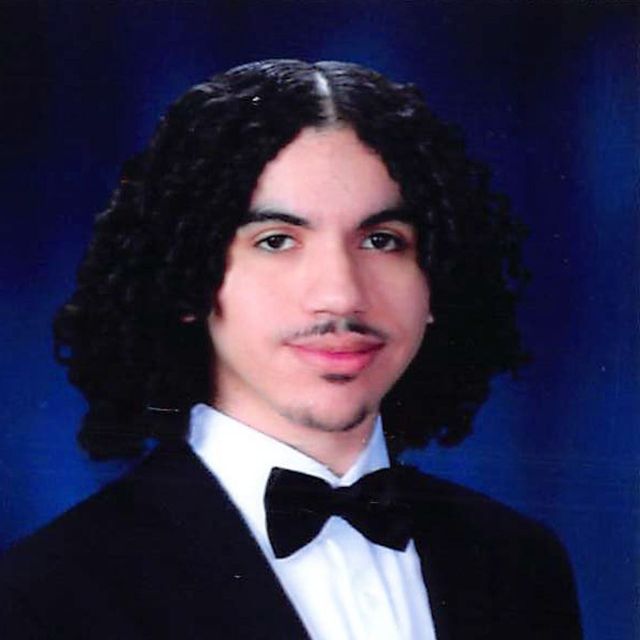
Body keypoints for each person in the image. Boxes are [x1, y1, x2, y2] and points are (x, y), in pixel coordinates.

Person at [0, 59, 581, 639]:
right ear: (187, 279)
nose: (341, 294)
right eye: (277, 241)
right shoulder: (46, 596)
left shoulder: (519, 562)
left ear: (437, 279)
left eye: (382, 240)